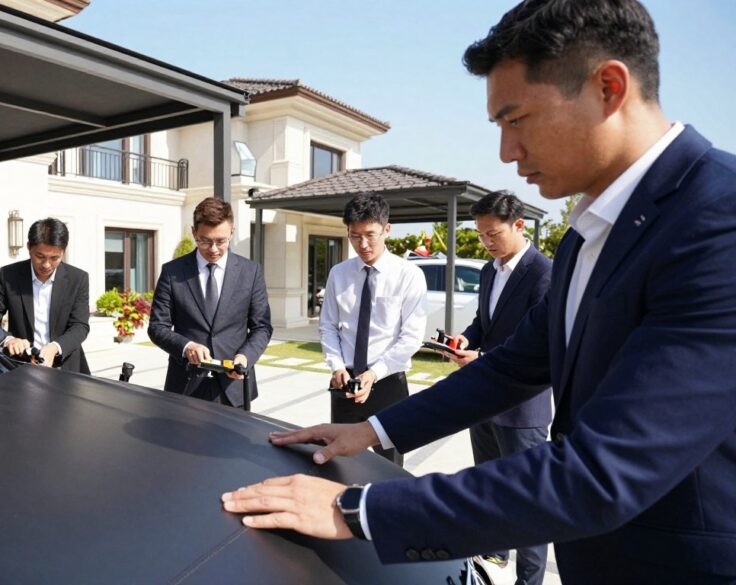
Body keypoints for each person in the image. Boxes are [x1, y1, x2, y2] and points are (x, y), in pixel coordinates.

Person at [221, 1, 736, 582]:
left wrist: (357, 510)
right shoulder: (586, 237)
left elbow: (604, 472)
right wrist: (372, 432)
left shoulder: (718, 220)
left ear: (608, 88)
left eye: (515, 119)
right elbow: (511, 367)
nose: (506, 153)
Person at [443, 190, 553, 584]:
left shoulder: (543, 272)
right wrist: (465, 342)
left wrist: (485, 359)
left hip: (524, 407)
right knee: (489, 483)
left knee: (528, 499)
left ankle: (529, 579)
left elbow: (535, 343)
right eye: (482, 235)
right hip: (484, 398)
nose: (487, 242)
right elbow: (483, 323)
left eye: (493, 234)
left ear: (519, 225)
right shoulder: (490, 270)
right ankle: (495, 550)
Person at [319, 193, 427, 465]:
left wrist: (373, 374)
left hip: (387, 381)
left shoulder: (409, 275)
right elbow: (328, 326)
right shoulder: (339, 273)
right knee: (339, 462)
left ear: (386, 230)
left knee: (389, 466)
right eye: (355, 236)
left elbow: (411, 337)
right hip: (344, 380)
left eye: (370, 235)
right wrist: (336, 366)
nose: (363, 244)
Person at [148, 197, 272, 408]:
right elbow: (157, 327)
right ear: (194, 232)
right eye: (205, 240)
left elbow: (262, 327)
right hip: (185, 386)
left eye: (221, 241)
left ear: (232, 231)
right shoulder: (172, 272)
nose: (213, 249)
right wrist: (186, 346)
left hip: (234, 388)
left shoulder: (251, 272)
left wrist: (245, 357)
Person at [0, 218, 90, 373]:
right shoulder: (9, 276)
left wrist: (55, 347)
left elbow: (80, 326)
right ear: (29, 248)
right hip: (20, 367)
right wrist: (8, 340)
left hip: (66, 368)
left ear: (63, 252)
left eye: (54, 258)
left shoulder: (77, 279)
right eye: (40, 256)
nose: (46, 265)